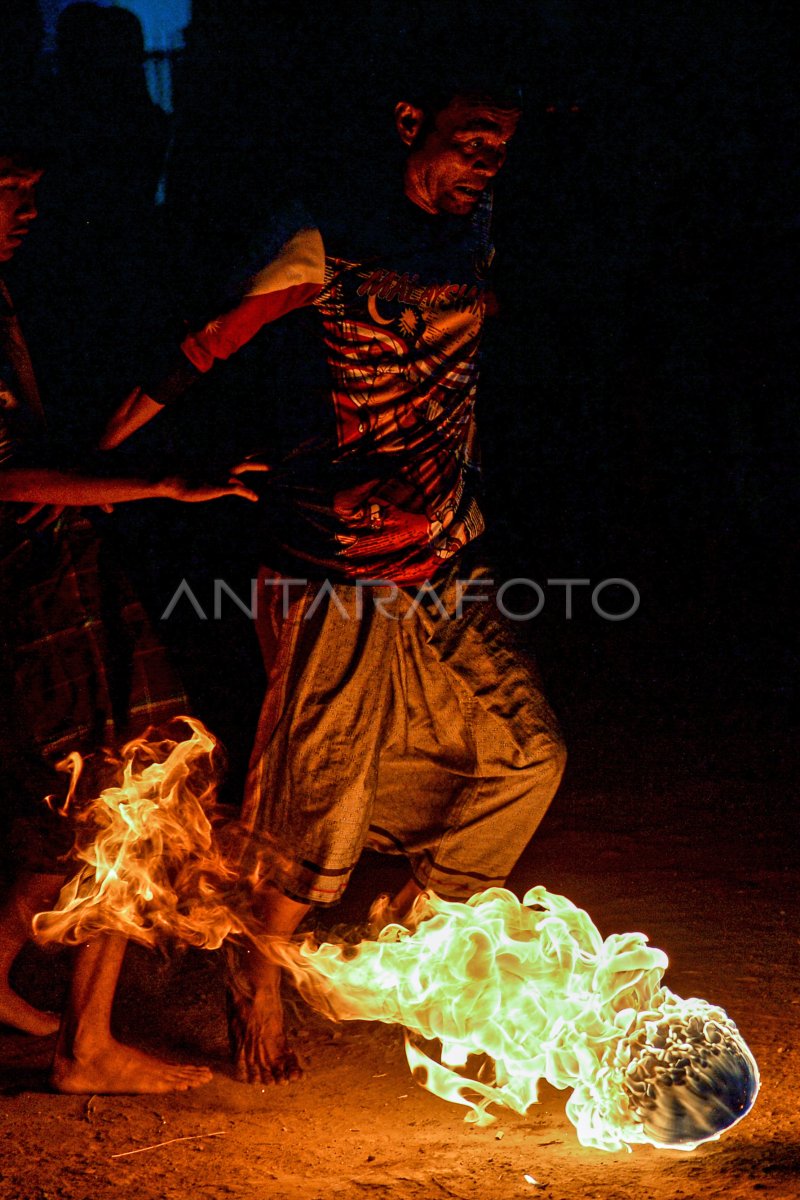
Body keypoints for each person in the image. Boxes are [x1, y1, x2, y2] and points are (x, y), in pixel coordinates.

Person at [98, 84, 568, 1086]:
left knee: (527, 757)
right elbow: (203, 344)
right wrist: (97, 464)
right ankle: (257, 970)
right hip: (334, 567)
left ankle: (421, 923)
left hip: (446, 556)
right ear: (409, 125)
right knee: (321, 788)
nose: (487, 160)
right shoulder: (321, 235)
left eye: (501, 146)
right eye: (469, 140)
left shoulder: (475, 235)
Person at [0, 145, 262, 1092]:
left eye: (32, 187)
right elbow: (6, 480)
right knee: (135, 788)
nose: (26, 207)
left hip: (53, 575)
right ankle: (87, 1047)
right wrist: (158, 481)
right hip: (32, 588)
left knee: (58, 811)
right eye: (5, 191)